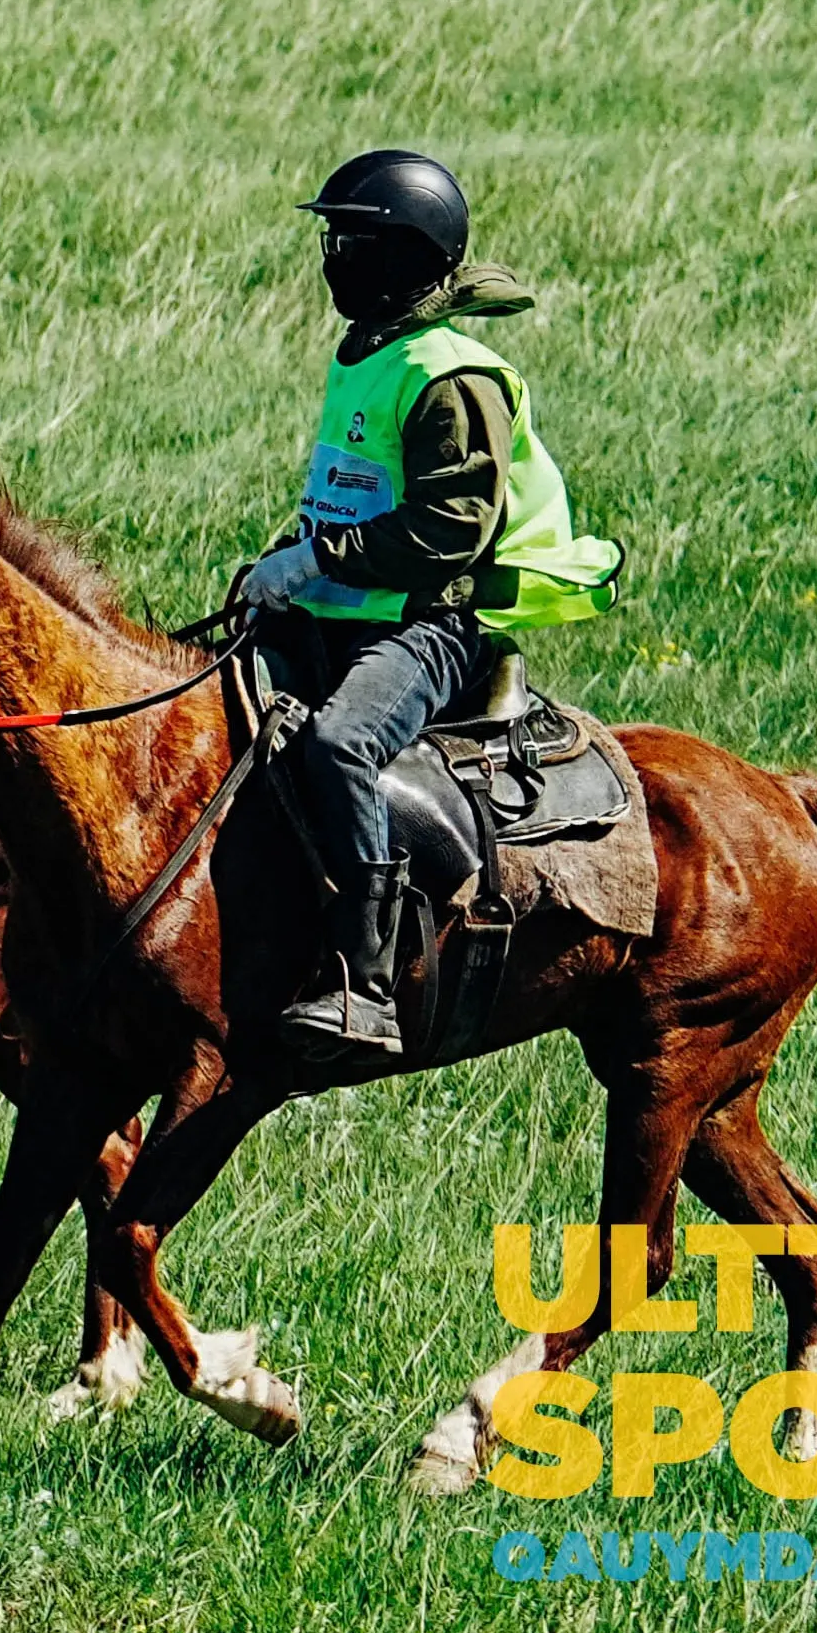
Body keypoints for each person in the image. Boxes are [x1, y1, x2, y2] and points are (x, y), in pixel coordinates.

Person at [230, 150, 620, 1065]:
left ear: (402, 255)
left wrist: (319, 557)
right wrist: (286, 564)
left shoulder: (452, 375)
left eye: (348, 239)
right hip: (344, 605)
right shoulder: (368, 351)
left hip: (428, 624)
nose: (332, 255)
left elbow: (450, 530)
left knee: (339, 745)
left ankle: (362, 980)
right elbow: (356, 490)